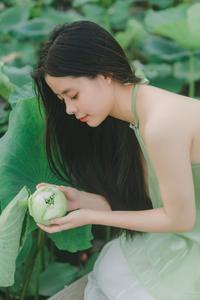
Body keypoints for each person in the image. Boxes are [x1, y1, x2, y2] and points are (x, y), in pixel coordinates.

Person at [32, 20, 200, 300]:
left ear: (105, 74)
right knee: (112, 270)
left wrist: (93, 216)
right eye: (62, 100)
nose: (70, 110)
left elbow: (180, 219)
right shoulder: (138, 112)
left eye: (72, 95)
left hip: (189, 231)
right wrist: (83, 202)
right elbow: (159, 203)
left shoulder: (160, 125)